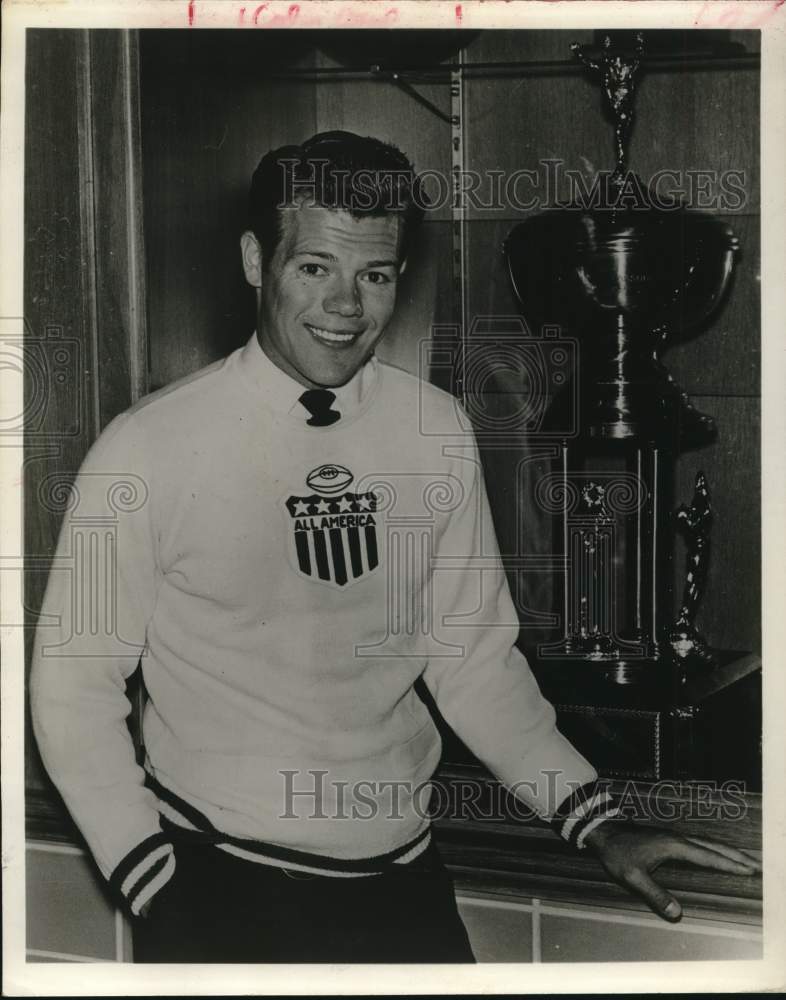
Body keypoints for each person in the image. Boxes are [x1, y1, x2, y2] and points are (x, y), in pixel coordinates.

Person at [30, 131, 760, 964]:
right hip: (220, 888)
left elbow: (473, 662)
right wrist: (146, 871)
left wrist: (595, 819)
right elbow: (72, 684)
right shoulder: (144, 446)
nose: (346, 307)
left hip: (406, 885)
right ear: (252, 259)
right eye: (315, 268)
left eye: (373, 275)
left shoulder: (436, 428)